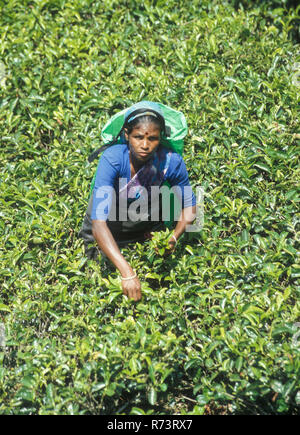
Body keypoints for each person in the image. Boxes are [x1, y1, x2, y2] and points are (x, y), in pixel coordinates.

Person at [79, 101, 196, 301]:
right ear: (126, 135)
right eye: (138, 137)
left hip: (144, 232)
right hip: (106, 235)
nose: (145, 145)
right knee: (98, 285)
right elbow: (98, 224)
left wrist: (174, 238)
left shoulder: (170, 162)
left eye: (152, 138)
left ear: (161, 138)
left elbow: (190, 208)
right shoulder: (113, 159)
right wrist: (128, 272)